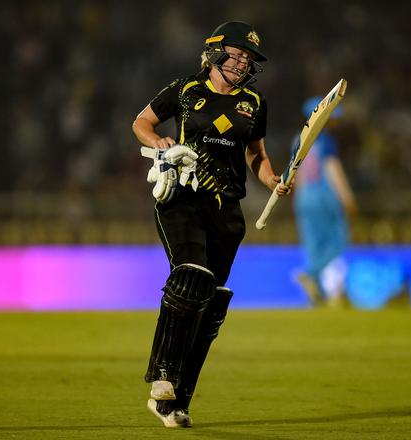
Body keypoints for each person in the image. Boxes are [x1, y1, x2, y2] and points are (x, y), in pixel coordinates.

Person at [132, 21, 291, 428]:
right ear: (215, 52)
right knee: (191, 275)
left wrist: (271, 178)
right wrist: (161, 143)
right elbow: (142, 124)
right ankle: (162, 377)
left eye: (248, 59)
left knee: (211, 305)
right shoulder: (186, 90)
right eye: (236, 55)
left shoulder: (254, 102)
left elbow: (255, 154)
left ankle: (177, 402)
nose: (242, 64)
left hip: (227, 212)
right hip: (182, 197)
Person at [293, 97, 356, 307]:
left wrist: (299, 201)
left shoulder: (298, 140)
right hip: (323, 196)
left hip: (303, 198)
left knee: (313, 246)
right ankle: (310, 274)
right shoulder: (326, 139)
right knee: (339, 240)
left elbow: (296, 175)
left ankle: (317, 294)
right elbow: (332, 169)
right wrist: (346, 196)